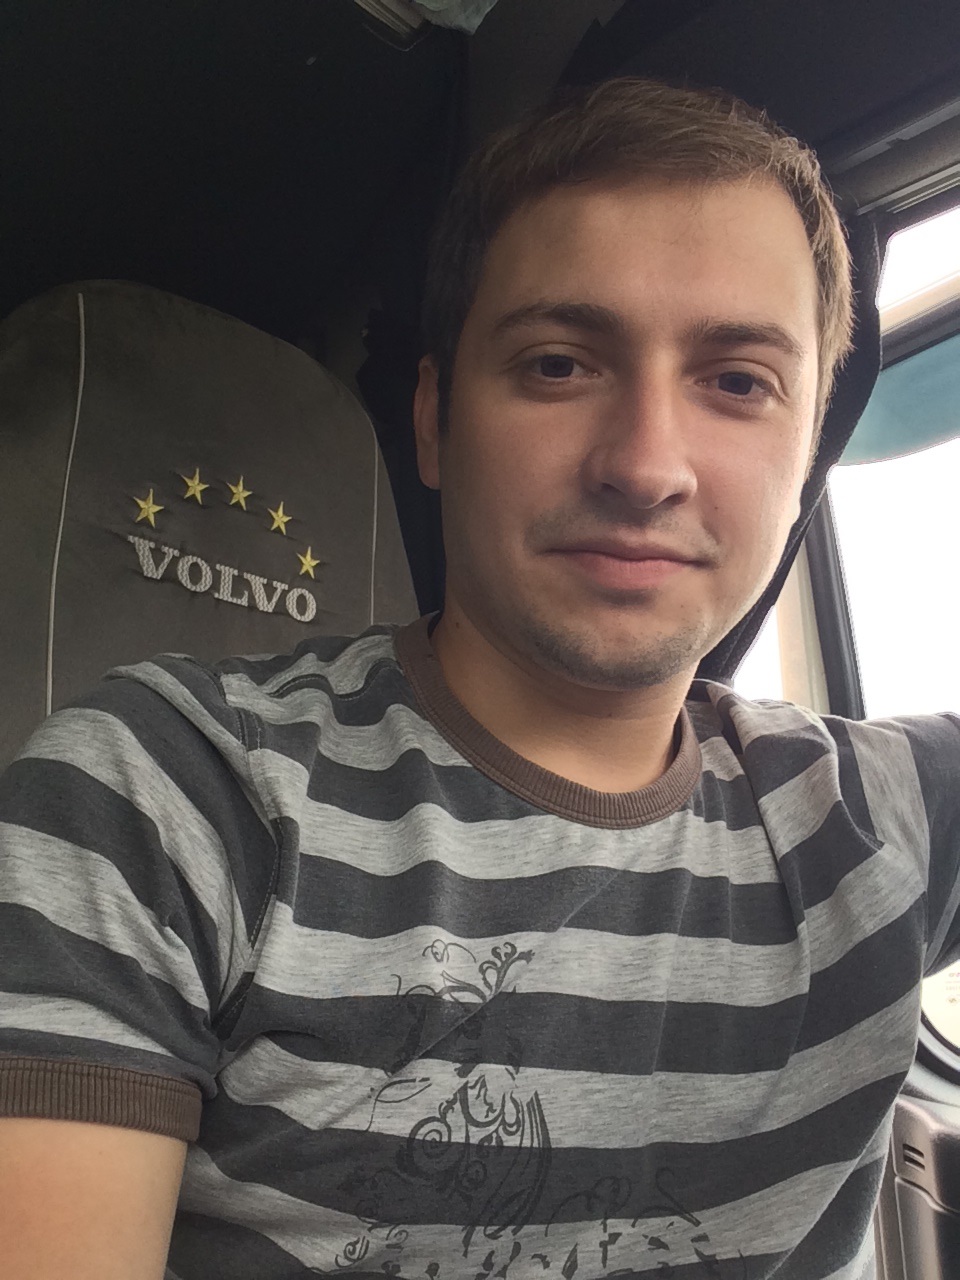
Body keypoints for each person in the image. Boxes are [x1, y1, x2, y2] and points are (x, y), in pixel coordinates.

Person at [0, 77, 957, 1280]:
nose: (646, 464)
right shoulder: (164, 793)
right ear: (435, 420)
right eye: (559, 364)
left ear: (809, 448)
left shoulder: (887, 816)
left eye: (737, 382)